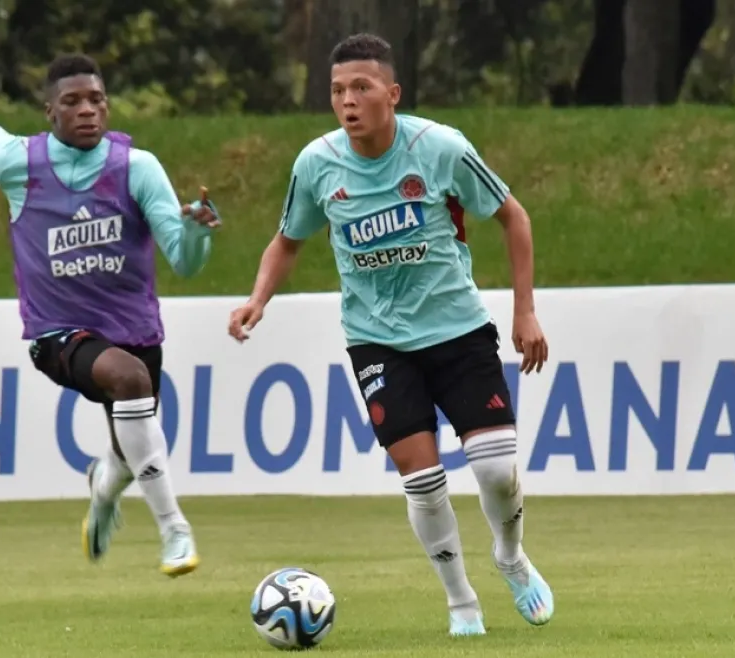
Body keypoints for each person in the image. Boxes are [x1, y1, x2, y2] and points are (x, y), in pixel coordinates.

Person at [228, 33, 553, 637]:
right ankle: (461, 604)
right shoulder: (316, 164)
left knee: (496, 473)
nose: (347, 101)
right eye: (337, 91)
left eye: (361, 87)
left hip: (457, 330)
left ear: (392, 94)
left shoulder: (440, 148)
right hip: (377, 341)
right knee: (423, 479)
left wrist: (524, 312)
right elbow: (288, 240)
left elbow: (514, 216)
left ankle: (509, 556)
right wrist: (257, 298)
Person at [0, 53, 220, 577]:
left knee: (130, 451)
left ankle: (104, 490)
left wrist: (195, 232)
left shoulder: (137, 168)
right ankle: (174, 531)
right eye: (73, 101)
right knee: (129, 382)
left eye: (97, 99)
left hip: (134, 330)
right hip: (56, 333)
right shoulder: (21, 164)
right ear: (50, 111)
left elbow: (185, 262)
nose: (87, 110)